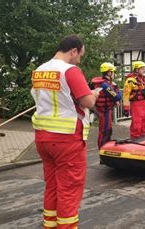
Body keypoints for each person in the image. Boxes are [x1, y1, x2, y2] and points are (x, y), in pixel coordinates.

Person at [31, 35, 98, 228]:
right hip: (67, 140)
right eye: (80, 55)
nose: (79, 59)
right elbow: (87, 102)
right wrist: (93, 94)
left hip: (43, 138)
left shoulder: (39, 70)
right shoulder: (71, 71)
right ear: (74, 50)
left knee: (52, 187)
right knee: (68, 190)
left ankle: (50, 226)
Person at [91, 62, 122, 148]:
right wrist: (118, 89)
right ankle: (102, 150)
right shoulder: (105, 85)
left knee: (107, 131)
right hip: (104, 112)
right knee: (105, 131)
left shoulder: (104, 83)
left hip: (106, 110)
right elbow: (117, 97)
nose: (114, 74)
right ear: (109, 73)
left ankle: (105, 149)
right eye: (113, 72)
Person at [123, 61, 145, 138]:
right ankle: (135, 138)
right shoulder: (130, 81)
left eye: (144, 69)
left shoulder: (144, 81)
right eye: (142, 69)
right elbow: (126, 94)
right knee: (137, 123)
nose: (144, 70)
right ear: (136, 69)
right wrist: (126, 108)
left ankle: (144, 137)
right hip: (136, 104)